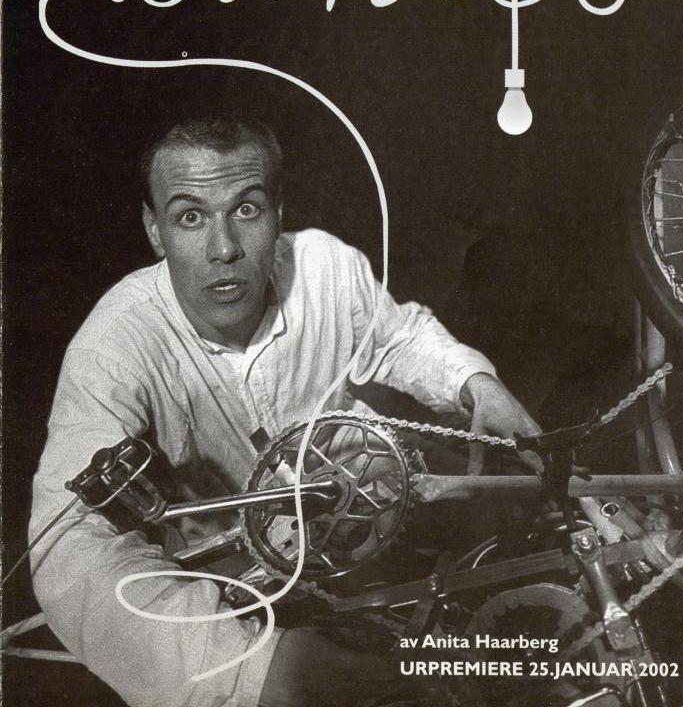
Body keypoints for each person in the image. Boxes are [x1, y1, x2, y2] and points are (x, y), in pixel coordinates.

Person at [30, 116, 541, 707]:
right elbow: (67, 544)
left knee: (521, 548)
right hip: (237, 595)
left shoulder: (325, 265)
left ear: (278, 215)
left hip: (363, 534)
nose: (224, 249)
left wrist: (476, 383)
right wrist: (252, 670)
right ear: (155, 230)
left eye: (246, 210)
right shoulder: (115, 344)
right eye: (191, 217)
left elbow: (398, 338)